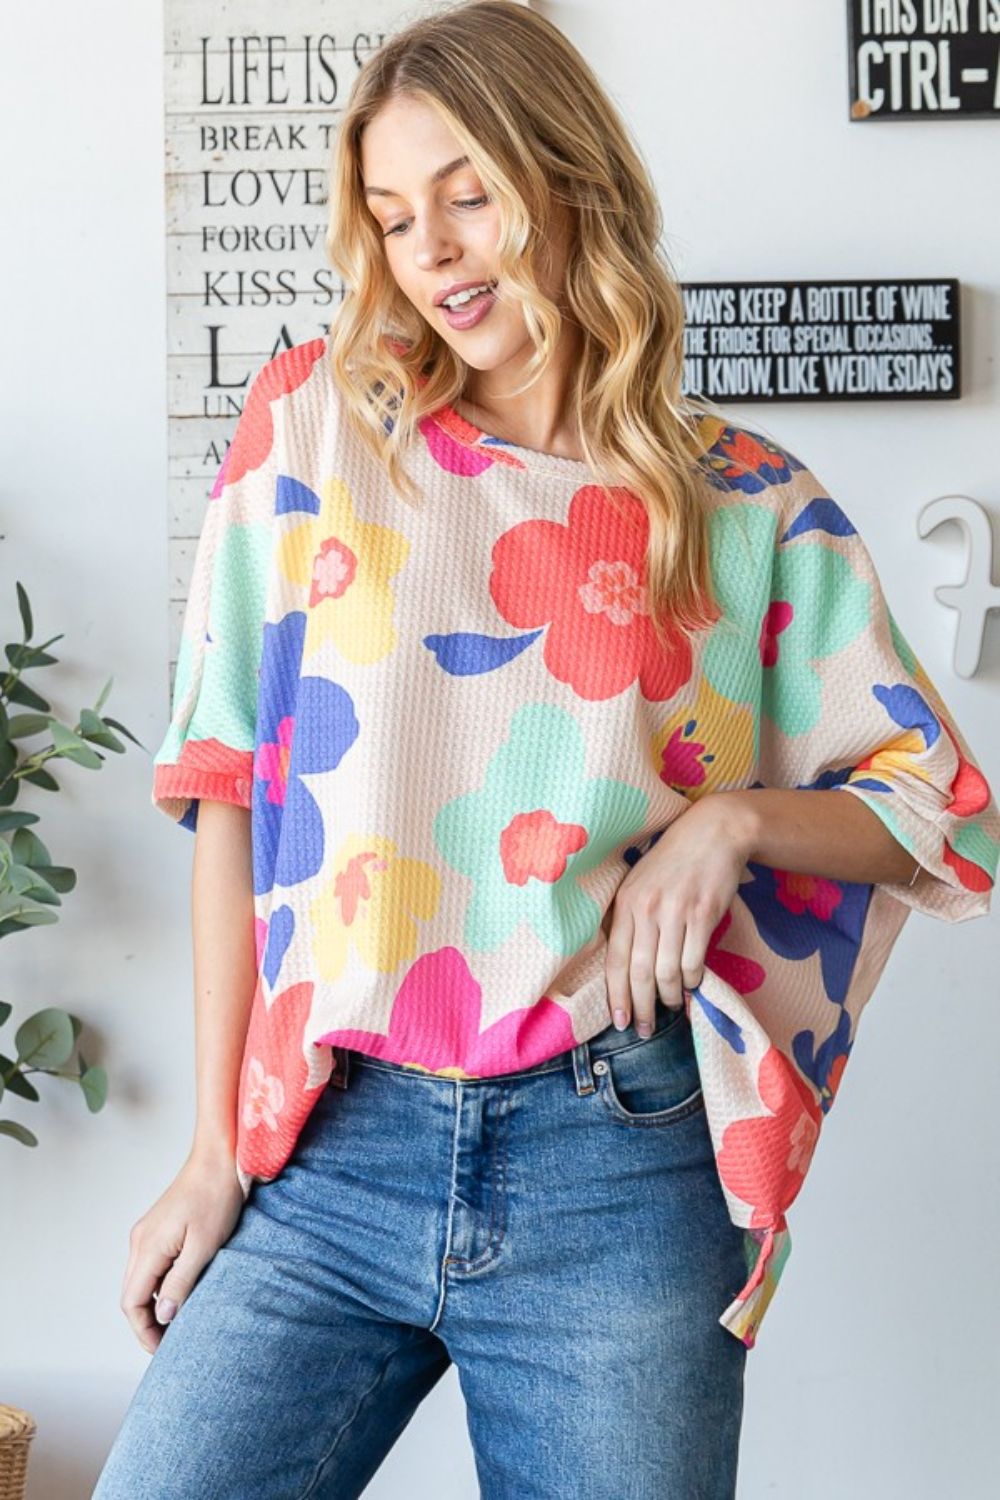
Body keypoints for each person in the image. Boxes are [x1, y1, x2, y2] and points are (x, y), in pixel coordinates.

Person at [93, 3, 999, 1497]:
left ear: (568, 179)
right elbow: (227, 783)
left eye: (467, 195)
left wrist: (732, 824)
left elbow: (938, 808)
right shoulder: (313, 427)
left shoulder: (747, 505)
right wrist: (209, 1154)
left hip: (618, 1165)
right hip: (329, 1148)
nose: (433, 252)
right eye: (395, 217)